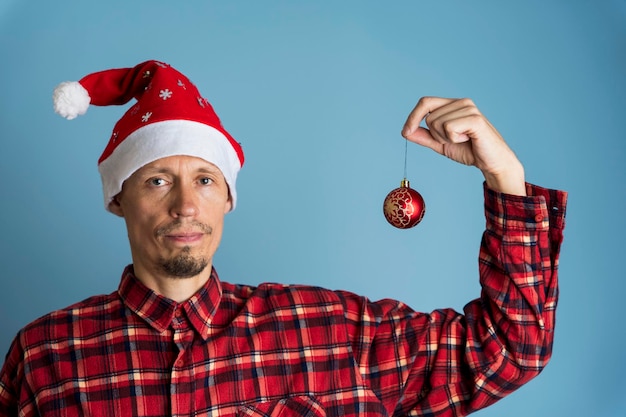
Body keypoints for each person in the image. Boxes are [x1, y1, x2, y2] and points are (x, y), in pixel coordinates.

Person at [0, 60, 567, 417]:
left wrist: (505, 179)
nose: (185, 205)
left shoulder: (331, 331)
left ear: (228, 197)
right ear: (118, 197)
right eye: (156, 180)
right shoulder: (44, 355)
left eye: (204, 179)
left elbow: (508, 350)